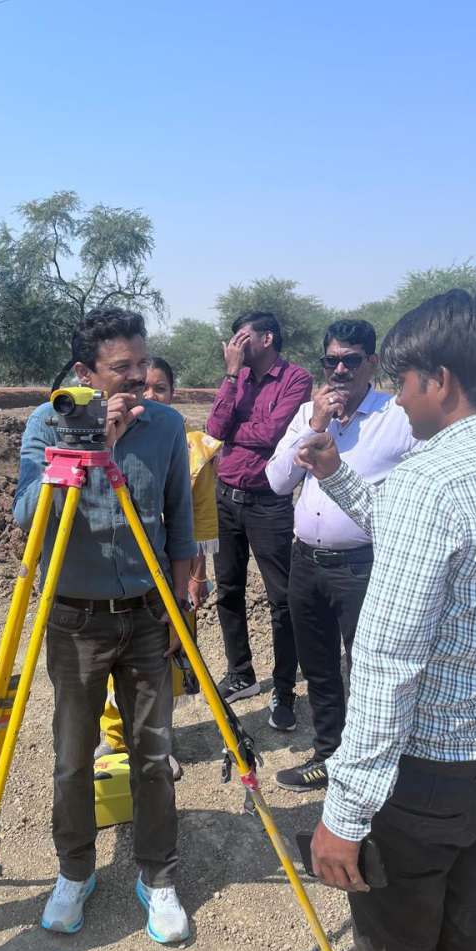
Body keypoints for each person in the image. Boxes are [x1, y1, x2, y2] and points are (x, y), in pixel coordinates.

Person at [299, 290, 476, 951]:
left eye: (403, 382)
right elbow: (426, 538)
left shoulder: (430, 478)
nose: (396, 399)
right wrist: (337, 474)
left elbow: (387, 661)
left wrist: (345, 811)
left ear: (441, 380)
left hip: (423, 788)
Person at [14, 309, 195, 945]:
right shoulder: (48, 422)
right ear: (85, 373)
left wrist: (181, 612)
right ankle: (75, 871)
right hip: (75, 618)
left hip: (148, 615)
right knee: (73, 757)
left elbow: (179, 522)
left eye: (144, 362)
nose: (140, 376)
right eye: (123, 367)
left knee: (153, 752)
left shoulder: (167, 426)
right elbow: (29, 516)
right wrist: (90, 448)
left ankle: (159, 876)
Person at [265, 320, 416, 792]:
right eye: (331, 360)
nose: (340, 370)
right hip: (306, 563)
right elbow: (277, 481)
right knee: (319, 667)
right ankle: (329, 755)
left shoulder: (396, 417)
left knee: (369, 669)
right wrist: (314, 426)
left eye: (351, 360)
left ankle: (377, 763)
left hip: (363, 566)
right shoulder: (309, 414)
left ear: (372, 362)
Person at [96, 357, 222, 776]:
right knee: (115, 663)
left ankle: (157, 740)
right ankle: (115, 737)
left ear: (173, 393)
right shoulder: (109, 440)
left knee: (161, 663)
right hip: (120, 574)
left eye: (160, 388)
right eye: (143, 387)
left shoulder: (191, 448)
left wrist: (196, 579)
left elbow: (197, 521)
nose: (149, 395)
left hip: (170, 576)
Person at [206, 311, 312, 731]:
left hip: (268, 502)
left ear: (267, 338)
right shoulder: (239, 377)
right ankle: (241, 673)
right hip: (225, 498)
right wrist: (231, 377)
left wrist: (236, 430)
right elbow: (215, 427)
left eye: (242, 337)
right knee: (228, 590)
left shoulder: (296, 379)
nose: (234, 344)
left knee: (281, 598)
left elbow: (273, 434)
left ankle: (284, 688)